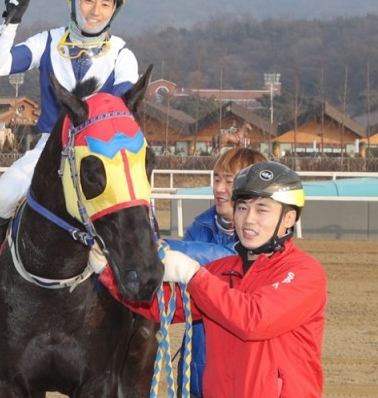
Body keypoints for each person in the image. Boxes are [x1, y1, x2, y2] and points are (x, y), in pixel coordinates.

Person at [0, 0, 139, 312]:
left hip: (98, 150)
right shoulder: (47, 41)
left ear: (114, 10)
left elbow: (123, 112)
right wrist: (10, 21)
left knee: (130, 209)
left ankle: (133, 276)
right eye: (88, 0)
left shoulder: (122, 54)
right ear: (73, 1)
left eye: (105, 4)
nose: (95, 11)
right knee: (0, 198)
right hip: (51, 144)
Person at [95, 161, 327, 397]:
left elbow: (254, 319)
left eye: (262, 209)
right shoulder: (221, 270)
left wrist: (192, 274)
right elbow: (160, 306)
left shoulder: (305, 272)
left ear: (288, 219)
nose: (248, 219)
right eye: (243, 208)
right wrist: (106, 272)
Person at [166, 147, 267, 396]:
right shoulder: (200, 226)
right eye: (216, 179)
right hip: (195, 366)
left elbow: (230, 261)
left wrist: (158, 248)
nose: (219, 188)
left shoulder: (264, 239)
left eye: (229, 181)